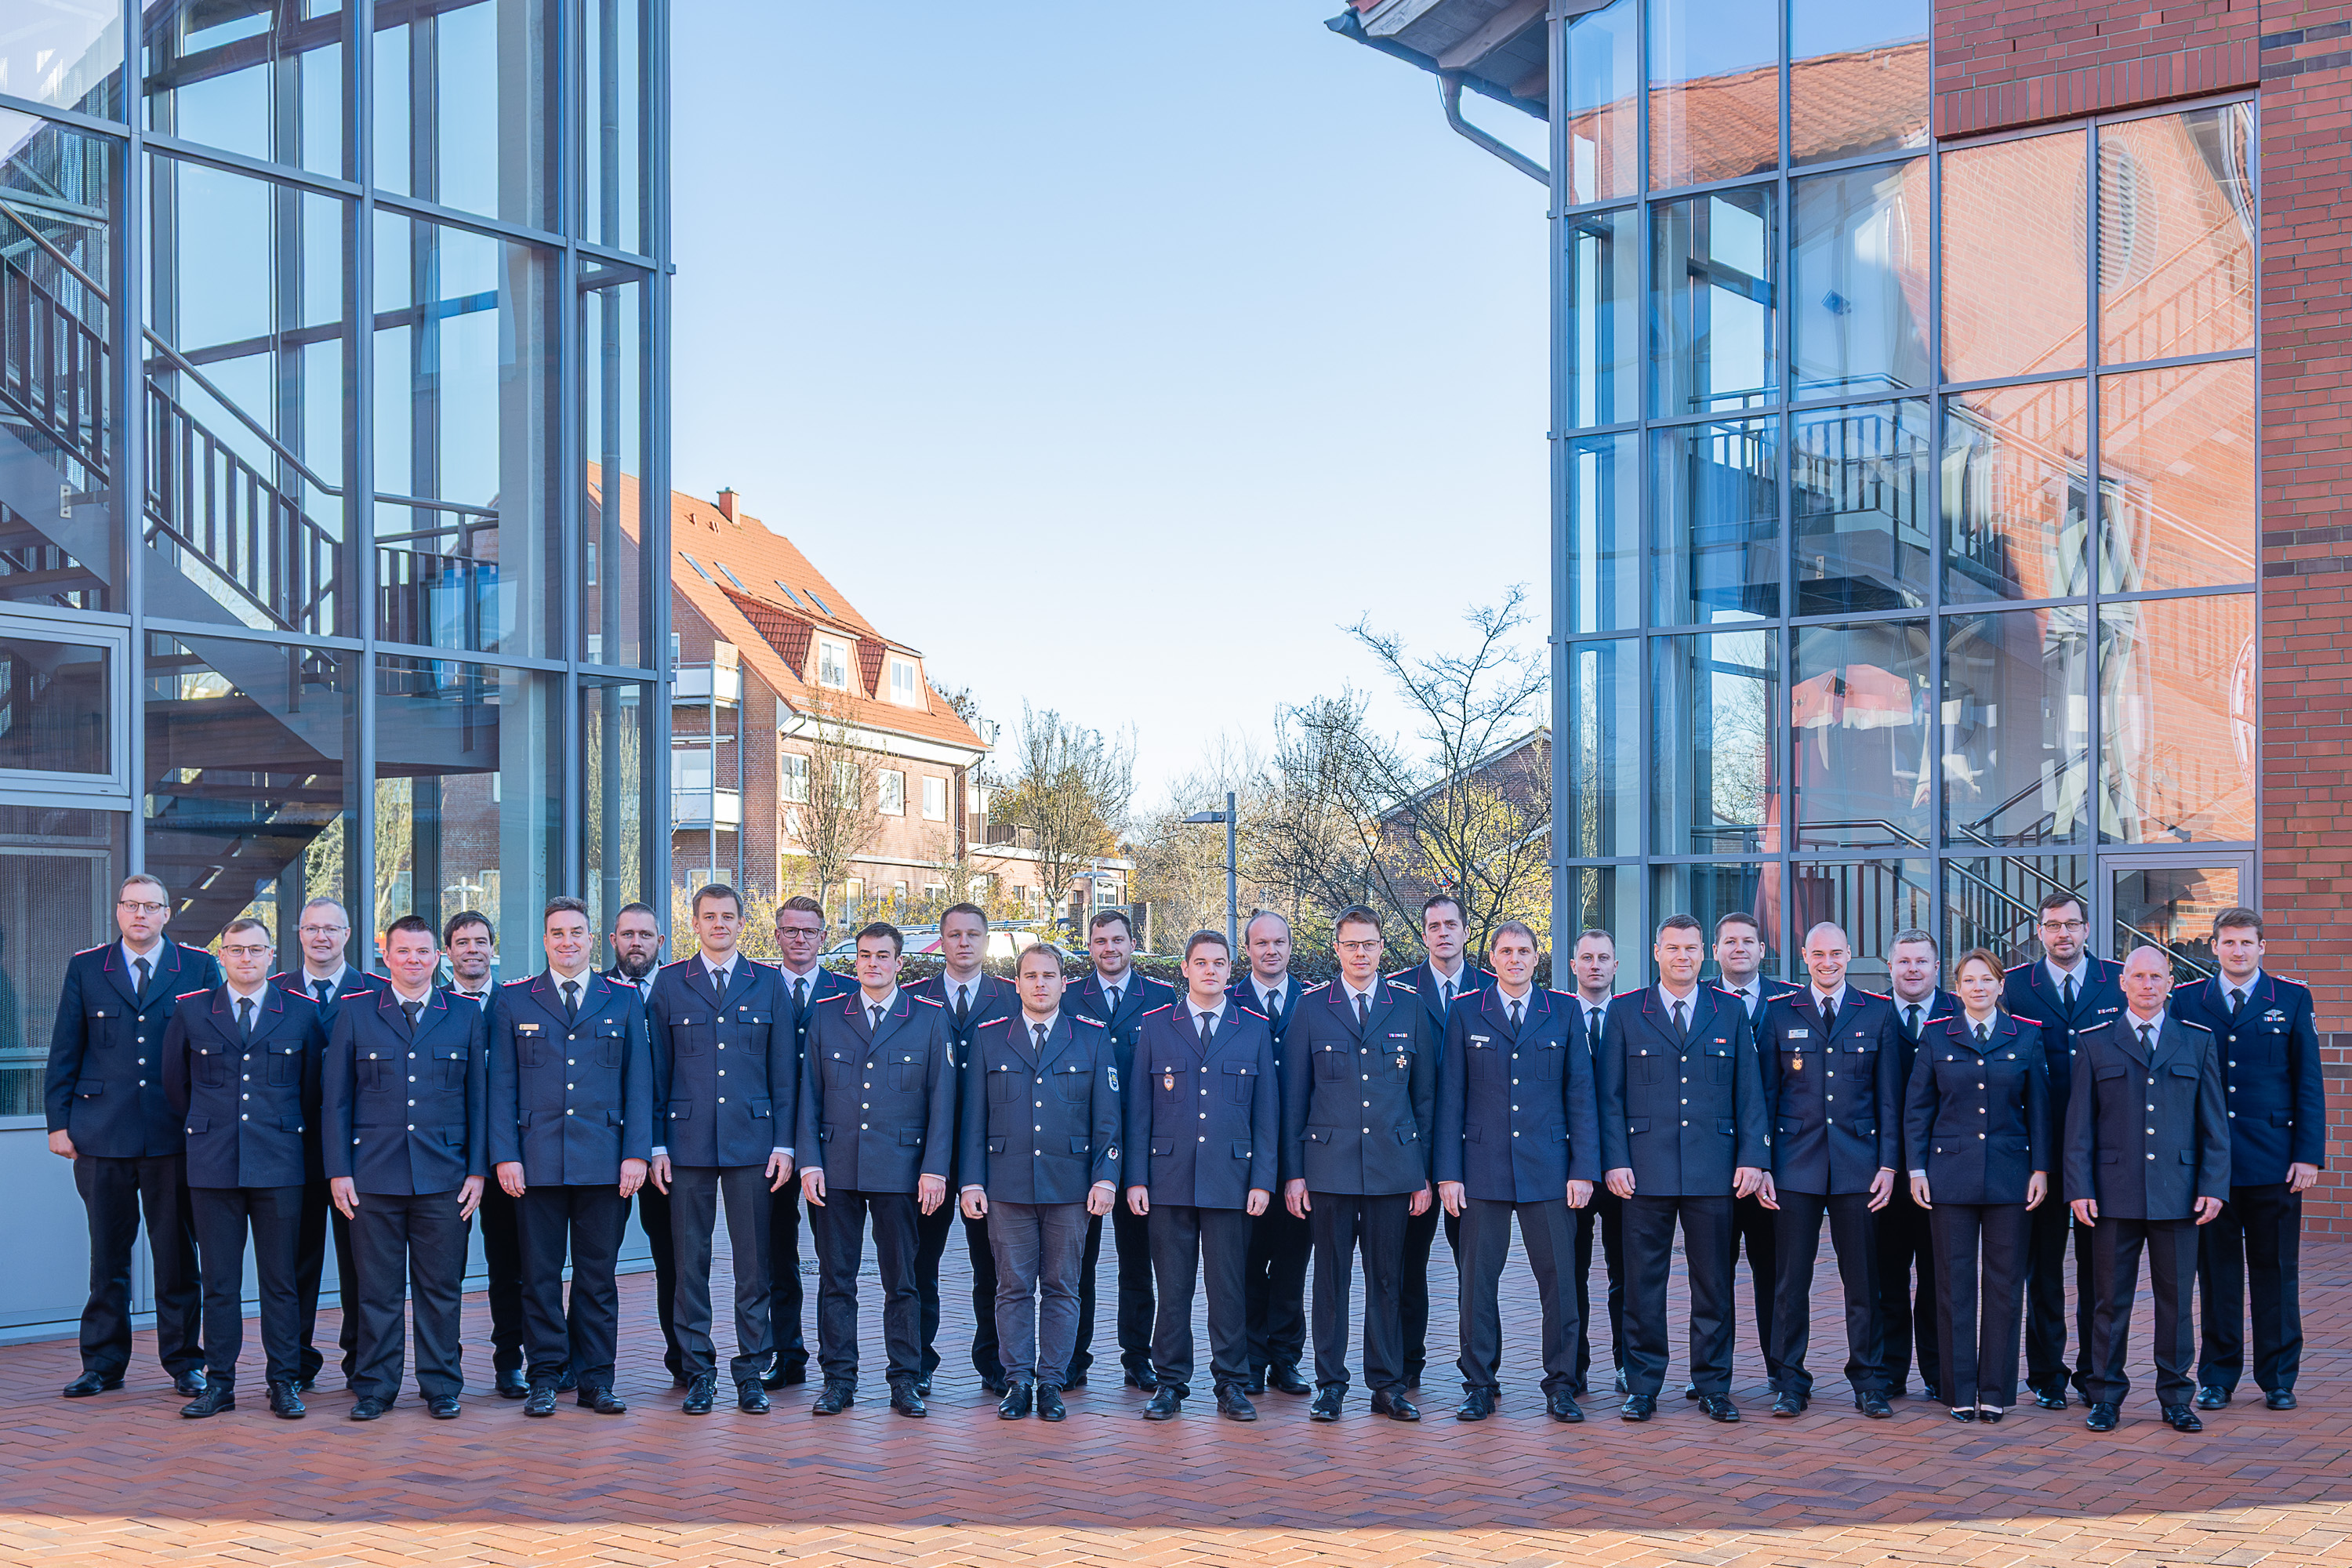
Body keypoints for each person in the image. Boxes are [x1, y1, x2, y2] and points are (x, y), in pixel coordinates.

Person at [43, 873, 221, 1399]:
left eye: (151, 906)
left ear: (168, 912)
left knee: (176, 1257)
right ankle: (102, 1365)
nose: (140, 915)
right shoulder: (86, 967)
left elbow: (209, 1056)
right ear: (118, 911)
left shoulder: (197, 966)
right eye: (131, 905)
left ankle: (185, 1363)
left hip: (173, 1136)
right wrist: (59, 1123)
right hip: (101, 1134)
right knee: (108, 1259)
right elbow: (66, 1051)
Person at [1596, 913, 1768, 1424]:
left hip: (1712, 1169)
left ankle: (1713, 1383)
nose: (1683, 957)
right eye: (1673, 948)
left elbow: (1749, 1092)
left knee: (1713, 1283)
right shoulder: (1626, 1012)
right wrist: (1615, 1161)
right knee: (1642, 1283)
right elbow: (1609, 1098)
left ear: (1705, 953)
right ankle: (1644, 1385)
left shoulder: (1729, 1011)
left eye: (1692, 948)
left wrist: (1754, 1158)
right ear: (1656, 953)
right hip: (1642, 1171)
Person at [487, 897, 652, 1417]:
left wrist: (637, 1156)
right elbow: (501, 1087)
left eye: (576, 932)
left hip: (605, 1163)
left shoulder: (623, 1000)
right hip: (534, 1164)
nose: (567, 941)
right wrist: (505, 1156)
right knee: (537, 1277)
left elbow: (639, 1084)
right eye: (557, 933)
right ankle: (543, 1377)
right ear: (545, 941)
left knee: (597, 1277)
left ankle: (596, 1380)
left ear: (590, 938)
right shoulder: (515, 1001)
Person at [162, 918, 326, 1418]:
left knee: (281, 1281)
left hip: (279, 1165)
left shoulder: (301, 1013)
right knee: (220, 1282)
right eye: (236, 950)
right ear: (222, 956)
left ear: (272, 955)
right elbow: (176, 1086)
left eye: (256, 950)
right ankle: (221, 1383)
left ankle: (284, 1381)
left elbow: (312, 1088)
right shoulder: (192, 1012)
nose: (246, 959)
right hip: (213, 1165)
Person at [325, 915, 487, 1420]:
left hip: (445, 1177)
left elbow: (479, 1098)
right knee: (377, 1289)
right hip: (373, 1175)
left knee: (440, 1288)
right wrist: (339, 1170)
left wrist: (478, 1171)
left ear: (435, 957)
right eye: (403, 952)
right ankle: (375, 1387)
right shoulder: (354, 1013)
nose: (414, 960)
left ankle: (441, 1386)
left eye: (423, 951)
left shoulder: (462, 1013)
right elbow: (336, 1101)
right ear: (385, 956)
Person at [1434, 921, 1597, 1424]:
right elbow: (1451, 1097)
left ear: (1537, 957)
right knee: (1477, 1283)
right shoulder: (1466, 1011)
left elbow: (1581, 1095)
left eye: (1524, 951)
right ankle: (1480, 1383)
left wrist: (1583, 1168)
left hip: (1549, 1170)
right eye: (1506, 951)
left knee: (1560, 1283)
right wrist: (1448, 1173)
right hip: (1481, 1169)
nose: (1516, 959)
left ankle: (1561, 1385)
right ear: (1493, 958)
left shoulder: (1564, 1010)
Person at [2065, 946, 2229, 1434]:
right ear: (2122, 983)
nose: (2148, 984)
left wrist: (2213, 1186)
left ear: (2171, 982)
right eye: (2138, 976)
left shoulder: (2197, 1042)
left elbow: (2215, 1126)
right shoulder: (2096, 1043)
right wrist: (2079, 1187)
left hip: (2178, 1193)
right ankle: (2105, 1396)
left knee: (2176, 1301)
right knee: (2108, 1301)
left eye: (2157, 976)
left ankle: (2176, 1396)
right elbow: (2079, 1127)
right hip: (2113, 1194)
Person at [1283, 904, 1436, 1423]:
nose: (1361, 953)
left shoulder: (1408, 1007)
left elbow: (1425, 1100)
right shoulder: (1310, 1008)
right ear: (1336, 949)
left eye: (1369, 944)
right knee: (1330, 1280)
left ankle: (1387, 1386)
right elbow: (1293, 1099)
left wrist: (1422, 1174)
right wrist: (1294, 1173)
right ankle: (1330, 1384)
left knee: (1388, 1281)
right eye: (1351, 944)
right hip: (1328, 1168)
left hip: (1394, 1169)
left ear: (1382, 947)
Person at [646, 884, 794, 1414]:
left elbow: (784, 1071)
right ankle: (698, 1371)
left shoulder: (769, 983)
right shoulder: (668, 985)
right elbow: (655, 1073)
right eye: (709, 917)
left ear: (741, 923)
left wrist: (784, 1143)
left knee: (754, 1265)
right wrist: (657, 1144)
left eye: (728, 917)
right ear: (694, 924)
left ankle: (751, 1371)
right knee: (690, 1264)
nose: (718, 925)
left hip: (753, 1143)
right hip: (684, 1145)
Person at [798, 921, 956, 1417]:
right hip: (838, 1167)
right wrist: (809, 1163)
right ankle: (838, 1379)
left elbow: (943, 1102)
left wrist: (935, 1169)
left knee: (902, 1282)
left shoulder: (928, 1019)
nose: (873, 963)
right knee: (836, 1280)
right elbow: (808, 1097)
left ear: (899, 963)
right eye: (865, 955)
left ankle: (905, 1378)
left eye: (883, 956)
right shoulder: (826, 1018)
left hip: (901, 1170)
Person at [959, 943, 1120, 1421]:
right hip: (1006, 1186)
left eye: (1049, 975)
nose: (1040, 984)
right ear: (1017, 983)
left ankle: (1052, 1381)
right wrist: (971, 1182)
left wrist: (1105, 1178)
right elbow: (973, 1120)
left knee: (1062, 1287)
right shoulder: (990, 1039)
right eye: (1030, 976)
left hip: (1070, 1187)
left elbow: (1107, 1121)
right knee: (1010, 1287)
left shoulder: (1091, 1038)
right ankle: (1017, 1382)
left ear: (1063, 983)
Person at [1127, 931, 1278, 1422]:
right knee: (1172, 1288)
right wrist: (1135, 1178)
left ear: (1230, 969)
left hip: (1232, 1180)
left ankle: (1231, 1383)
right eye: (1200, 962)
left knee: (1228, 1288)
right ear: (1185, 970)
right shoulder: (1156, 1027)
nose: (1210, 970)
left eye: (1219, 962)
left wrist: (1263, 1180)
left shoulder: (1252, 1029)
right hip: (1168, 1177)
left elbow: (1266, 1114)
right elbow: (1139, 1110)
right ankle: (1170, 1382)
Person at [1755, 922, 1900, 1419]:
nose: (1827, 962)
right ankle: (1790, 1381)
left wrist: (1889, 1164)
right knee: (1790, 1282)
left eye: (1836, 953)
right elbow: (1765, 1098)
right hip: (1795, 1165)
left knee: (1863, 1280)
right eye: (1817, 954)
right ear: (1803, 956)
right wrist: (1764, 1164)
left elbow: (1889, 1098)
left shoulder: (1878, 1012)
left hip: (1859, 1165)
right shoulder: (1777, 1014)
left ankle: (1869, 1380)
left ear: (1850, 954)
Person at [2180, 908, 2324, 1412]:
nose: (2238, 951)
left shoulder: (2290, 998)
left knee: (2276, 1272)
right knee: (2216, 1275)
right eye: (2228, 942)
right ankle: (2217, 1377)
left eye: (2247, 942)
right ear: (2213, 947)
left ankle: (2279, 1379)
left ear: (2262, 947)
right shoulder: (2186, 1001)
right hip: (2209, 1169)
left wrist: (2308, 1155)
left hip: (2275, 1162)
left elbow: (2308, 1081)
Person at [1904, 948, 2049, 1423]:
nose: (1979, 988)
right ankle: (1959, 1390)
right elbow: (1918, 1111)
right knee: (1953, 1285)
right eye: (1969, 981)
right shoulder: (1935, 1037)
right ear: (1958, 988)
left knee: (2005, 1286)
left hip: (2011, 1177)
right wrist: (1917, 1170)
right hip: (1950, 1177)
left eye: (1987, 980)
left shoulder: (2025, 1036)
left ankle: (1996, 1391)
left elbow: (2041, 1111)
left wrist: (2041, 1169)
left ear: (2000, 985)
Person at [2002, 891, 2123, 1409]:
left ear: (2088, 929)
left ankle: (2097, 1377)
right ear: (2039, 932)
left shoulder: (2119, 981)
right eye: (2053, 926)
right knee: (2044, 1270)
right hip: (2044, 1153)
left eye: (2072, 925)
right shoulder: (2013, 988)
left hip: (2106, 1150)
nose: (2063, 934)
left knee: (2101, 1274)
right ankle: (2047, 1376)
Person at [907, 902, 1015, 1395]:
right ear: (941, 941)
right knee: (919, 1263)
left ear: (986, 940)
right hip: (925, 1153)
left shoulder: (1013, 998)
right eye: (954, 935)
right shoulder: (912, 998)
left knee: (990, 1265)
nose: (964, 943)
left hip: (989, 1154)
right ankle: (919, 1361)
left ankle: (993, 1361)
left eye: (974, 934)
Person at [1067, 908, 1175, 1391]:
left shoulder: (1162, 998)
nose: (1109, 949)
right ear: (1089, 946)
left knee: (1138, 1263)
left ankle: (1138, 1358)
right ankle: (1072, 1357)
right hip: (1081, 1151)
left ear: (1133, 943)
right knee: (1077, 1263)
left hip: (1142, 1152)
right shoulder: (1069, 997)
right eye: (1099, 941)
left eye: (1117, 940)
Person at [273, 895, 375, 1392]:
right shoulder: (273, 991)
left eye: (331, 929)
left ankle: (360, 1360)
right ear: (298, 933)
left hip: (360, 1153)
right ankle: (294, 1361)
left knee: (361, 1262)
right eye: (312, 928)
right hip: (290, 1153)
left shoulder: (376, 991)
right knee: (297, 1262)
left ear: (348, 934)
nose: (322, 937)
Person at [1388, 894, 1486, 1388]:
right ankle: (1408, 1366)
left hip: (1477, 1152)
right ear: (1423, 935)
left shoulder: (1494, 988)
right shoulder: (1397, 992)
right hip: (1414, 1151)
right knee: (1408, 1267)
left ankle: (1477, 1372)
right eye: (1433, 926)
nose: (1443, 932)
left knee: (1475, 1271)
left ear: (1466, 931)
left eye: (1452, 924)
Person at [761, 895, 851, 1388]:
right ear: (777, 935)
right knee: (777, 1253)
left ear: (823, 934)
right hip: (772, 1139)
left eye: (809, 931)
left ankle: (834, 1360)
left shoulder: (849, 990)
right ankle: (787, 1353)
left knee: (833, 1255)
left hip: (831, 1142)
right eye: (790, 930)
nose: (799, 938)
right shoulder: (758, 986)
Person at [1708, 910, 1796, 1402]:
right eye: (1729, 941)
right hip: (1714, 1167)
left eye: (1748, 941)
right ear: (1715, 951)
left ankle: (1781, 1376)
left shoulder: (1790, 1002)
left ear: (1763, 950)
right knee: (1714, 1279)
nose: (1739, 948)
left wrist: (1764, 1161)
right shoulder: (1703, 1001)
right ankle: (1715, 1380)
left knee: (1774, 1276)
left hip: (1773, 1168)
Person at [440, 909, 527, 1399]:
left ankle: (509, 1362)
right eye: (462, 942)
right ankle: (445, 1369)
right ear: (447, 952)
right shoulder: (432, 1005)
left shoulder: (515, 1002)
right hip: (451, 1159)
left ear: (493, 948)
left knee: (509, 1266)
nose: (472, 949)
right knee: (444, 1270)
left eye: (480, 941)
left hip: (508, 1157)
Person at [1232, 909, 1311, 1397]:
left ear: (1289, 945)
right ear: (1248, 950)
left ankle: (1285, 1358)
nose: (1271, 950)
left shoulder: (1315, 1001)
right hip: (1242, 1159)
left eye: (1279, 941)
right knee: (1244, 1263)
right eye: (1261, 943)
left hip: (1301, 1156)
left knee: (1291, 1265)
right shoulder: (1229, 999)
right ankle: (1251, 1357)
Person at [1880, 927, 1958, 1403]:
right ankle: (1890, 1371)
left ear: (1936, 967)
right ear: (1890, 967)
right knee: (1886, 1276)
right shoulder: (1868, 1013)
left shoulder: (1961, 1012)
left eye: (1921, 962)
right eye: (1904, 961)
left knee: (1937, 1278)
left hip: (1944, 1172)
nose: (1912, 970)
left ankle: (1936, 1370)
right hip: (1886, 1171)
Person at [602, 902, 676, 1381]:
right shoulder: (597, 992)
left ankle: (683, 1357)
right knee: (596, 1263)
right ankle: (583, 1363)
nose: (636, 943)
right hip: (609, 1150)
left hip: (668, 1151)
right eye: (627, 934)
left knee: (674, 1258)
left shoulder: (678, 989)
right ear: (613, 941)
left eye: (645, 935)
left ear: (660, 942)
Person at [1565, 927, 1628, 1397]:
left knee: (1627, 1275)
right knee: (1572, 1274)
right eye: (1586, 958)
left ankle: (1627, 1364)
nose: (1595, 965)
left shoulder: (1631, 1016)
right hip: (1571, 1171)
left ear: (1616, 966)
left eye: (1603, 957)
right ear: (1573, 966)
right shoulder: (1558, 1015)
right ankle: (1576, 1366)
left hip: (1624, 1169)